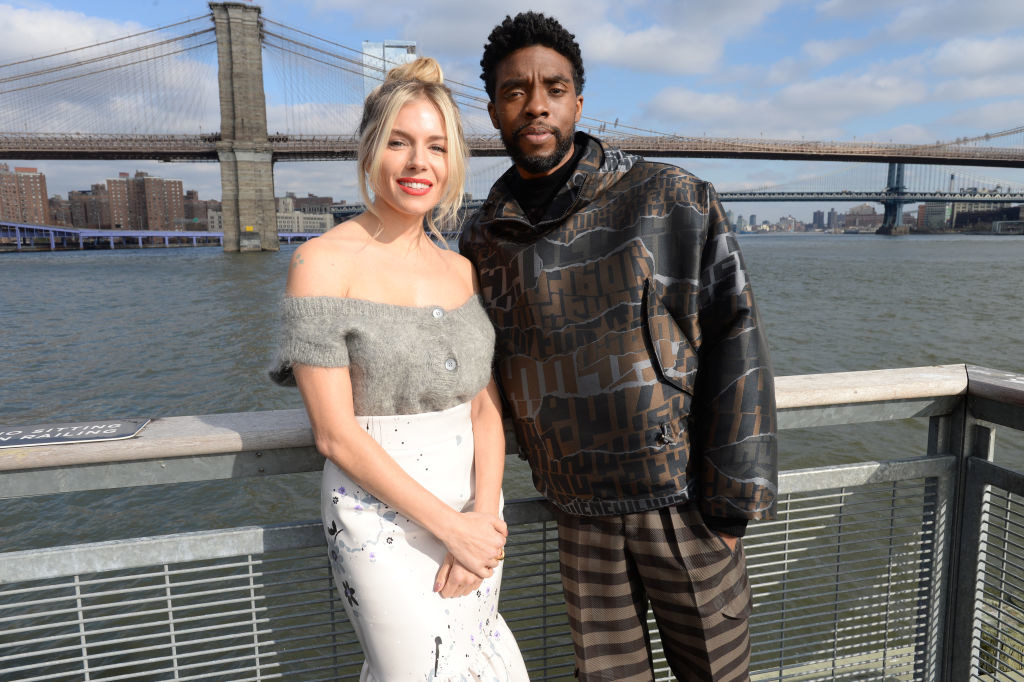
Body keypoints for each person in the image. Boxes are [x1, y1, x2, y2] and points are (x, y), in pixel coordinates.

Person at [459, 13, 778, 682]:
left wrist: (730, 509)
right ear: (492, 109)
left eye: (554, 86)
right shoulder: (483, 236)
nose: (537, 103)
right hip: (576, 513)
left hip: (684, 503)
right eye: (516, 91)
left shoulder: (671, 196)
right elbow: (473, 371)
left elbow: (736, 339)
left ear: (579, 99)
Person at [270, 57, 529, 681]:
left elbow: (483, 405)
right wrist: (452, 528)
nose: (419, 163)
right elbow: (333, 433)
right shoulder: (320, 263)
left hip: (472, 509)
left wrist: (484, 518)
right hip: (376, 516)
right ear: (369, 152)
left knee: (478, 664)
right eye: (399, 143)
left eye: (437, 147)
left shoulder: (459, 268)